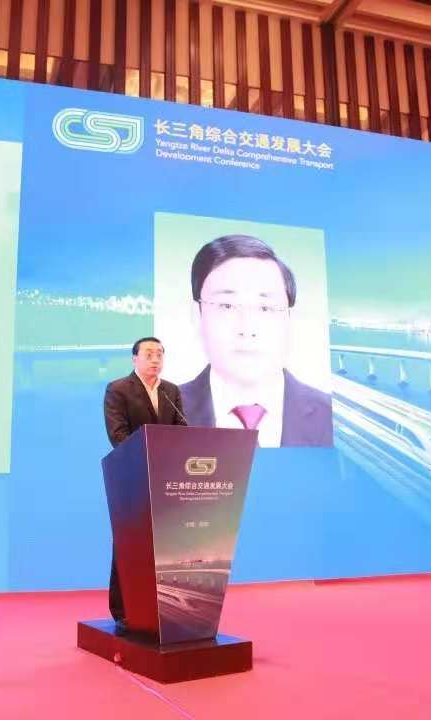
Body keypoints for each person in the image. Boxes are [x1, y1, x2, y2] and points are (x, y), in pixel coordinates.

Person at [178, 235, 332, 448]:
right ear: (197, 314)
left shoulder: (332, 417)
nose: (247, 329)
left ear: (289, 318)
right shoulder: (158, 414)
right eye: (227, 306)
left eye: (265, 308)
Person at [102, 337, 187, 624]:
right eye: (149, 354)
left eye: (160, 354)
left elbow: (181, 430)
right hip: (133, 479)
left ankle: (165, 607)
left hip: (167, 481)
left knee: (166, 546)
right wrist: (148, 459)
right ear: (134, 359)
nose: (155, 359)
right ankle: (124, 611)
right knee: (130, 544)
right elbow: (118, 435)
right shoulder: (118, 389)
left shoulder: (171, 391)